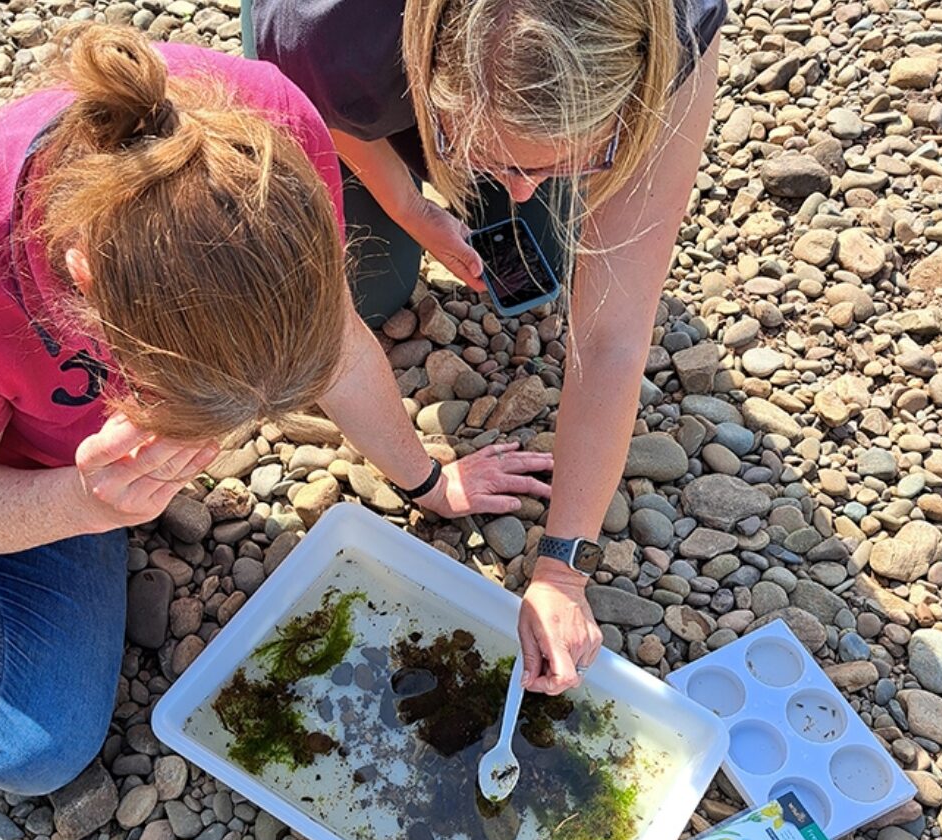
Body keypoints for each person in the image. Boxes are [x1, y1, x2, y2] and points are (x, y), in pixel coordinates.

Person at [0, 24, 552, 840]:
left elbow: (334, 345)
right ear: (84, 287)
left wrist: (427, 483)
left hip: (53, 468)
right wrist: (75, 499)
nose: (218, 444)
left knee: (35, 746)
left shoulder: (267, 140)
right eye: (191, 409)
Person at [250, 0, 724, 696]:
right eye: (496, 157)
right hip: (356, 67)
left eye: (583, 154)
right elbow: (324, 107)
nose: (527, 185)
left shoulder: (677, 30)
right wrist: (406, 204)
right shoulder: (319, 32)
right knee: (372, 290)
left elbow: (613, 337)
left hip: (472, 95)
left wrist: (563, 565)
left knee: (545, 242)